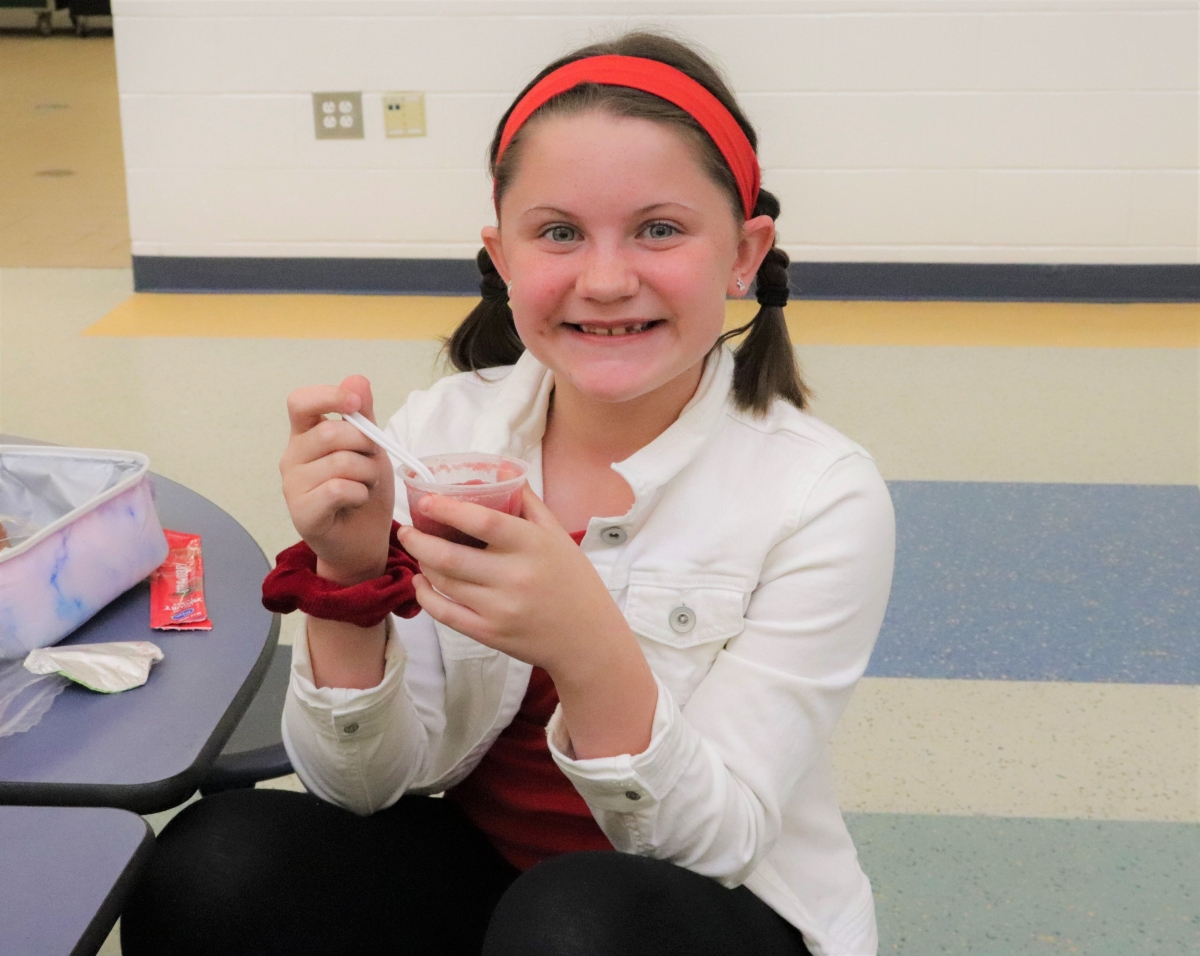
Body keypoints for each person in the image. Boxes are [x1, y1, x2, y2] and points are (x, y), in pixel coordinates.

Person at [122, 31, 895, 956]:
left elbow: (715, 841)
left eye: (659, 229)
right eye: (559, 232)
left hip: (702, 908)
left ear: (744, 251)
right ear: (503, 253)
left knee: (573, 926)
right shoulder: (441, 436)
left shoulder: (820, 496)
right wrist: (346, 576)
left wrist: (583, 641)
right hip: (497, 883)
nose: (605, 281)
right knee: (217, 862)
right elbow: (358, 787)